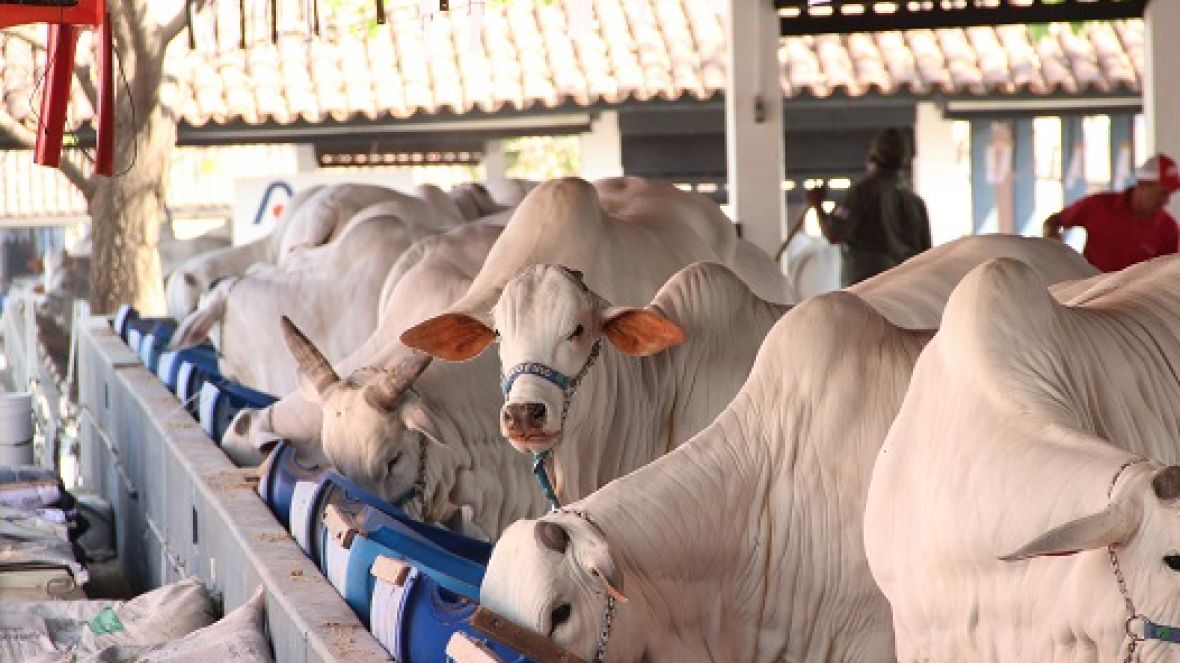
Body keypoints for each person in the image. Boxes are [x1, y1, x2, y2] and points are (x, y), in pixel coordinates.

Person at [807, 128, 932, 286]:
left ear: (872, 157)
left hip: (864, 288)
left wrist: (817, 204)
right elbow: (928, 258)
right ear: (905, 161)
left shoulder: (860, 193)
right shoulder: (916, 204)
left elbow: (834, 234)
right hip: (905, 288)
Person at [1043, 153, 1180, 272]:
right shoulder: (1098, 205)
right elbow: (1053, 221)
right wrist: (1052, 241)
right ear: (1143, 185)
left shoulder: (1169, 228)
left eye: (1169, 194)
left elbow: (1165, 276)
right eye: (1162, 193)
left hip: (1135, 300)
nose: (1166, 201)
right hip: (1087, 295)